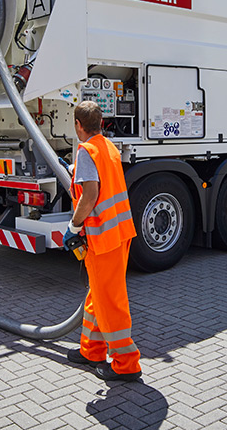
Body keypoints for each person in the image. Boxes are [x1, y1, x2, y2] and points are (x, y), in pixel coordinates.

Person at [62, 101, 141, 381]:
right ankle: (91, 350)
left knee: (110, 300)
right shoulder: (107, 146)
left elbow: (91, 193)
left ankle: (126, 363)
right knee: (98, 294)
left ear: (78, 125)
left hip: (103, 236)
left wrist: (74, 225)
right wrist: (75, 168)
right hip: (120, 233)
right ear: (101, 123)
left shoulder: (86, 151)